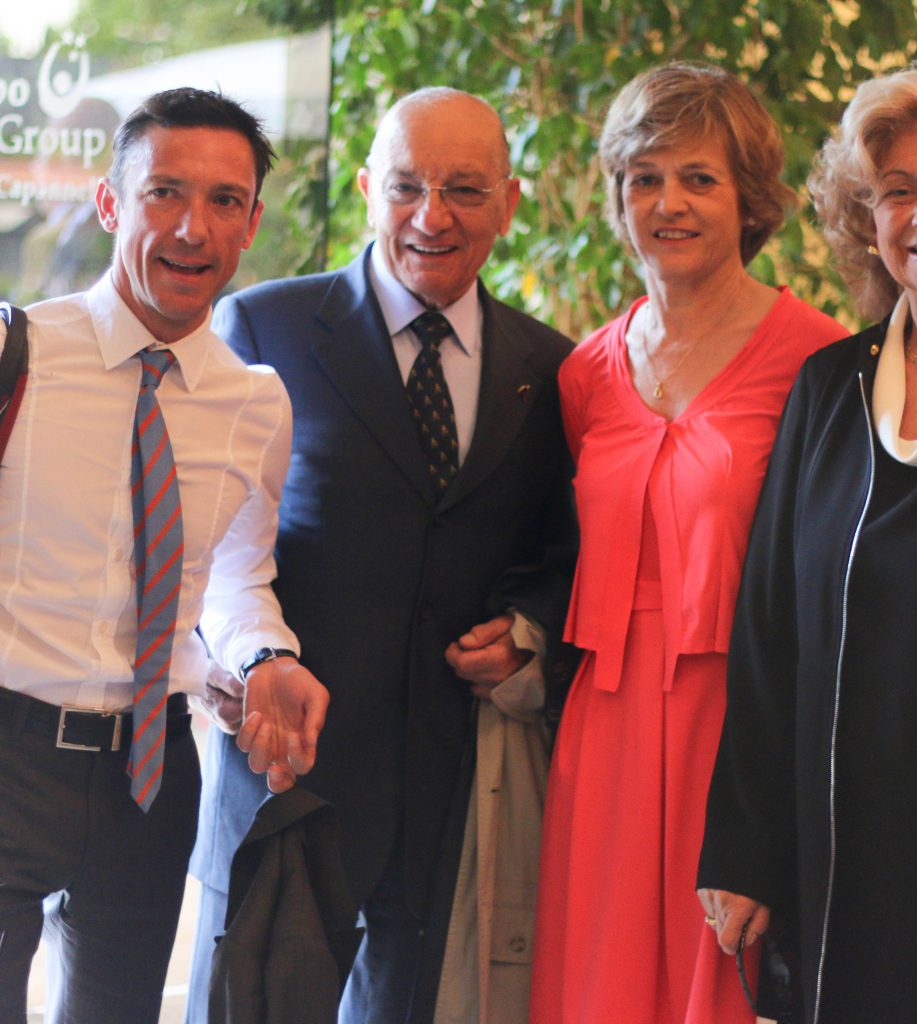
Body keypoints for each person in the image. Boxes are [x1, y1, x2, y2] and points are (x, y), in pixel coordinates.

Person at [187, 86, 577, 1024]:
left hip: (453, 789)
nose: (432, 217)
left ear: (509, 203)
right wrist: (225, 659)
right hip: (291, 772)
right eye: (406, 186)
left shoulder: (553, 366)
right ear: (367, 190)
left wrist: (527, 626)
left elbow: (560, 546)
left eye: (465, 190)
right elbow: (209, 542)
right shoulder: (264, 328)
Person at [697, 58, 917, 1024]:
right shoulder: (830, 386)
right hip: (842, 847)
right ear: (866, 219)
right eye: (898, 191)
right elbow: (768, 634)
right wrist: (747, 850)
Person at [0, 87, 329, 1024]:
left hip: (146, 775)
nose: (194, 228)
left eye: (226, 201)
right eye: (164, 193)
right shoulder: (18, 351)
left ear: (252, 224)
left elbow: (236, 574)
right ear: (111, 203)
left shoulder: (255, 400)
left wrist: (262, 657)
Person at [528, 62, 847, 1024]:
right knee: (599, 984)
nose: (668, 203)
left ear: (750, 200)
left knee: (723, 987)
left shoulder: (821, 362)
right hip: (604, 729)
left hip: (742, 728)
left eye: (698, 179)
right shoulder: (584, 372)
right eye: (645, 178)